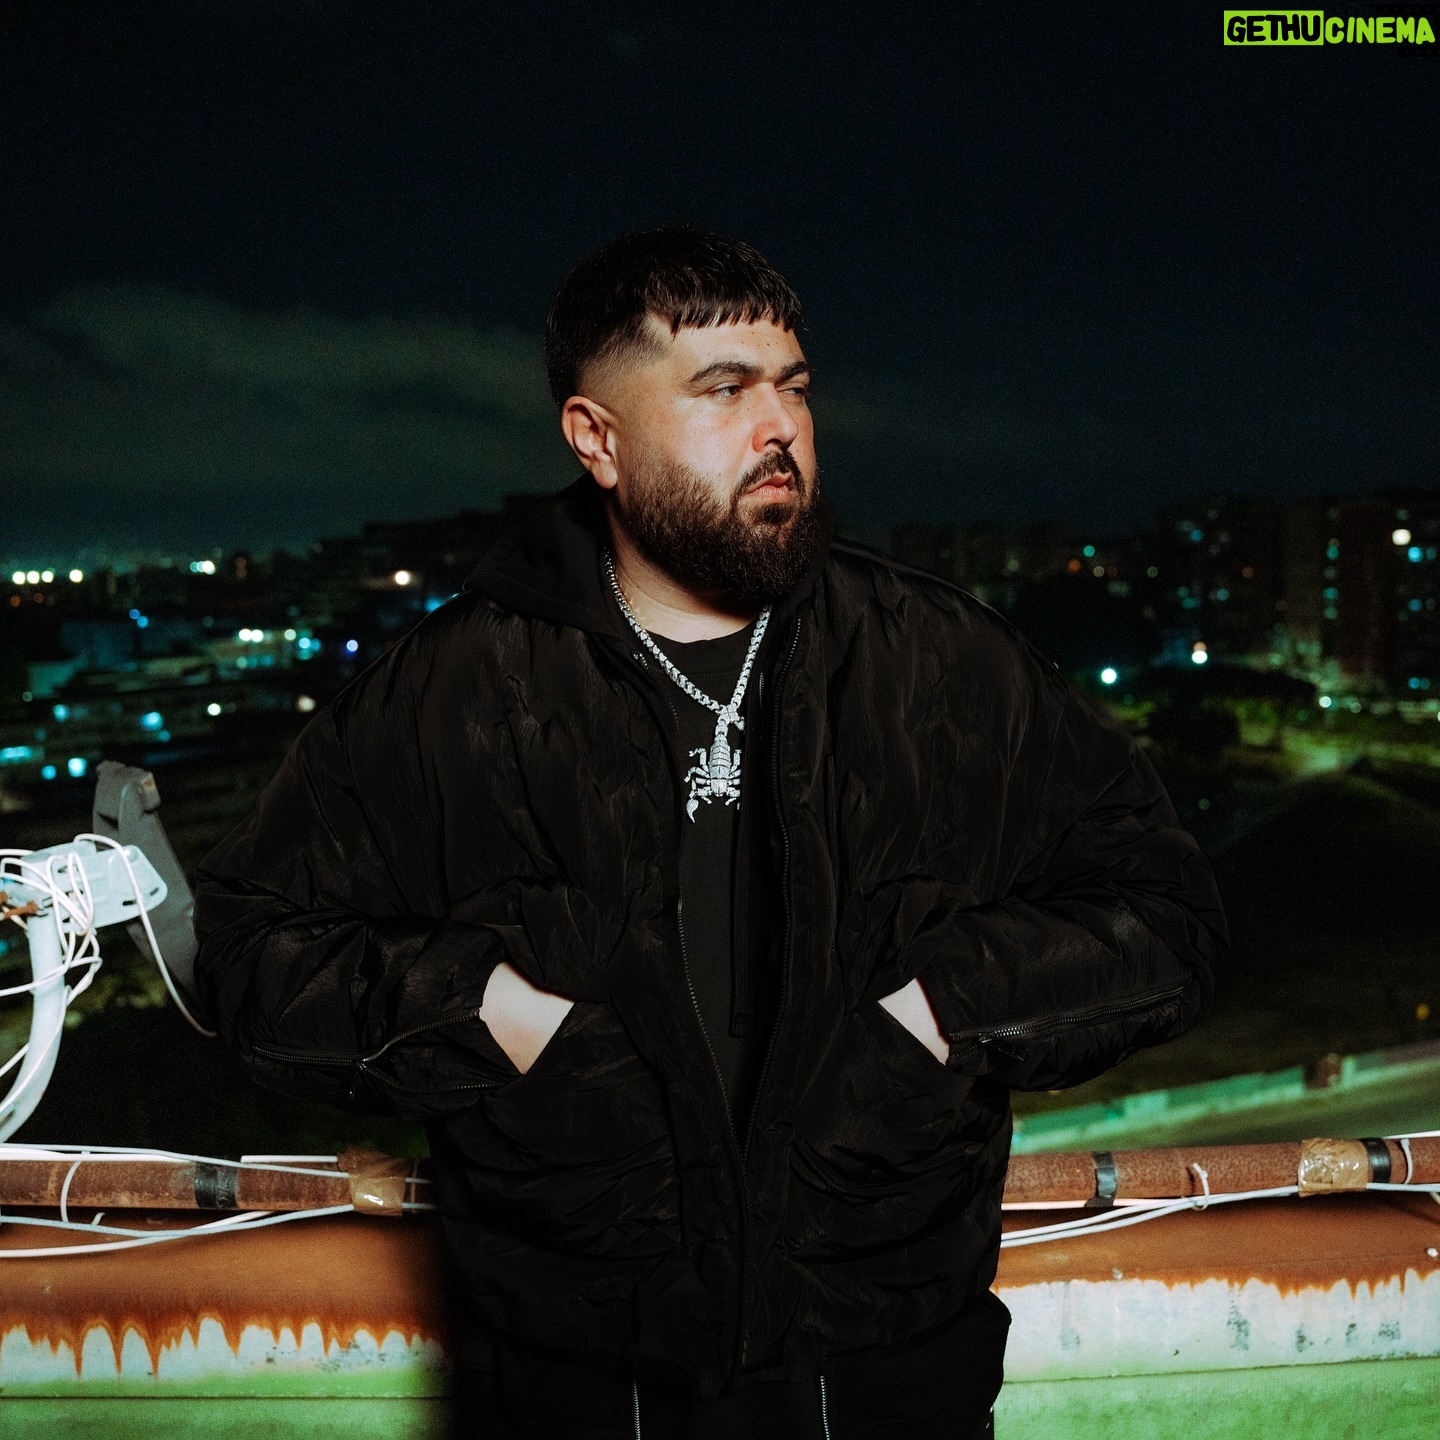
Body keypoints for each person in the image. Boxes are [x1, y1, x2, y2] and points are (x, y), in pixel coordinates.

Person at [193, 227, 1225, 1438]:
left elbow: (1166, 919)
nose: (779, 426)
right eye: (724, 390)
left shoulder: (939, 660)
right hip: (570, 1382)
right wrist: (495, 1016)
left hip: (892, 1367)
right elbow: (251, 953)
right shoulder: (453, 687)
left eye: (794, 386)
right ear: (597, 439)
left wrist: (939, 1011)